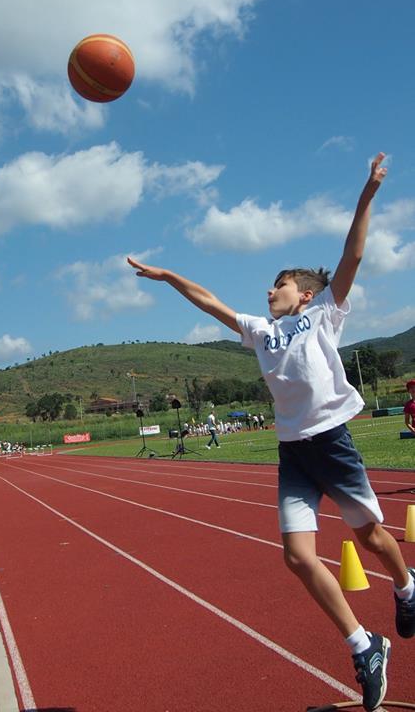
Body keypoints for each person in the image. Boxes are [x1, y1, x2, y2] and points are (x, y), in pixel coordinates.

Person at [128, 153, 415, 712]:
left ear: (303, 294)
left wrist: (369, 193)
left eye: (278, 284)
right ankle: (364, 647)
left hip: (331, 439)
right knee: (297, 556)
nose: (268, 291)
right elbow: (210, 302)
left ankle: (407, 587)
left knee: (370, 538)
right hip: (293, 452)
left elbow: (352, 253)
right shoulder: (260, 332)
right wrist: (166, 277)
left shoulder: (325, 312)